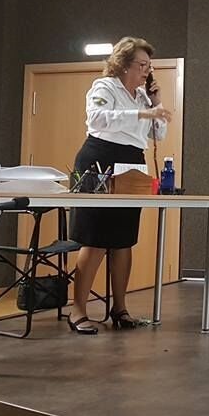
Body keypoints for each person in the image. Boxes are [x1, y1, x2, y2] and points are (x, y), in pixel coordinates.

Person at [68, 37, 172, 334]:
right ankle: (78, 310)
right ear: (124, 64)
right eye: (142, 65)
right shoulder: (104, 87)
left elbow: (159, 134)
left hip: (131, 162)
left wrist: (155, 103)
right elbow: (98, 119)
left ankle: (120, 308)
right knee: (95, 238)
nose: (147, 71)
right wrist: (142, 113)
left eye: (149, 66)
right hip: (100, 158)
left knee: (124, 238)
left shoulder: (142, 96)